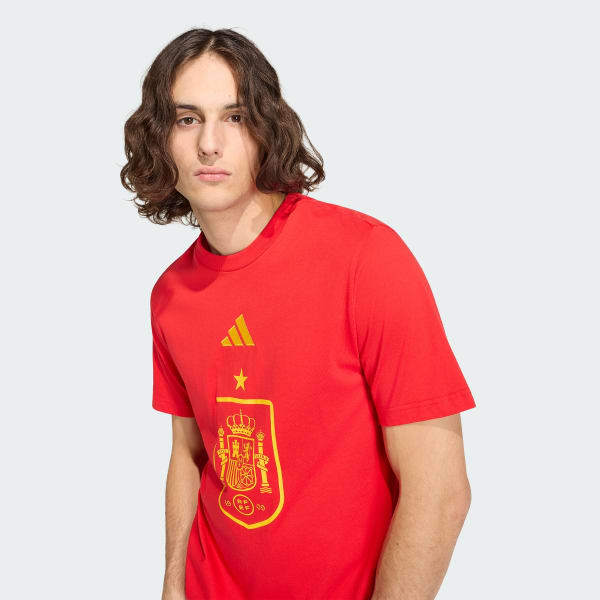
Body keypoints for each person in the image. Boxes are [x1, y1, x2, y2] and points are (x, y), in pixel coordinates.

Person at [121, 27, 476, 600]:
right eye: (187, 119)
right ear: (159, 138)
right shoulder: (170, 295)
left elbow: (440, 490)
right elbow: (189, 453)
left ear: (266, 128)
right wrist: (172, 586)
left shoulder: (365, 258)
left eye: (235, 117)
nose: (209, 143)